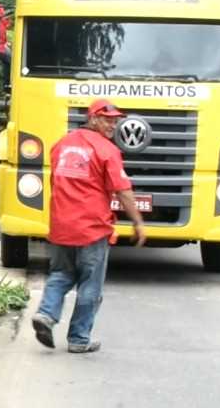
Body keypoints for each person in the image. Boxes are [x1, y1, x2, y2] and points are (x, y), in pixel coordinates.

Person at [31, 99, 146, 353]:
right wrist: (138, 221)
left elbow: (55, 181)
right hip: (92, 227)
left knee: (61, 273)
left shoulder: (62, 144)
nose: (112, 125)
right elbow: (123, 190)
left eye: (115, 121)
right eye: (107, 119)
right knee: (90, 284)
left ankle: (46, 315)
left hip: (61, 224)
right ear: (92, 118)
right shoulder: (107, 150)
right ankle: (79, 339)